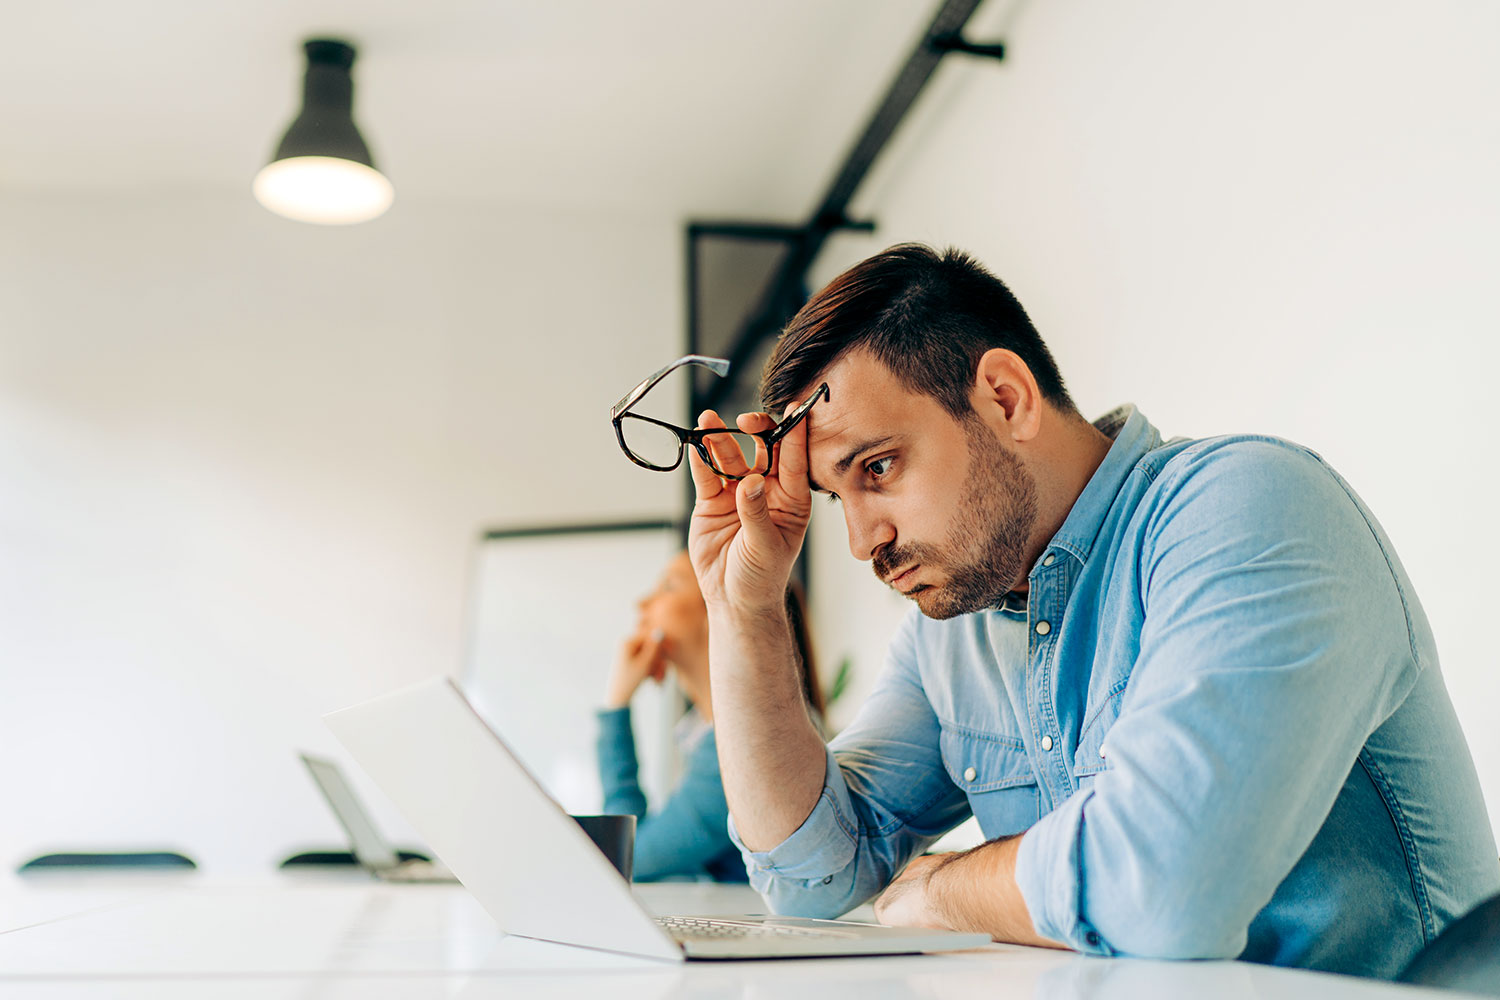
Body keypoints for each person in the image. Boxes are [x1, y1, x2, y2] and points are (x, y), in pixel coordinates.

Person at [679, 243, 1499, 977]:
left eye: (880, 468)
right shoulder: (953, 634)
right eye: (835, 497)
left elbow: (1164, 890)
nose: (862, 541)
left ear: (1005, 399)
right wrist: (742, 609)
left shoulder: (1247, 505)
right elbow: (810, 877)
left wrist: (944, 887)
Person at [595, 551, 823, 882]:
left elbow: (629, 858)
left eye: (669, 586)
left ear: (719, 607)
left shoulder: (750, 741)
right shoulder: (707, 734)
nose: (642, 603)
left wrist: (616, 705)